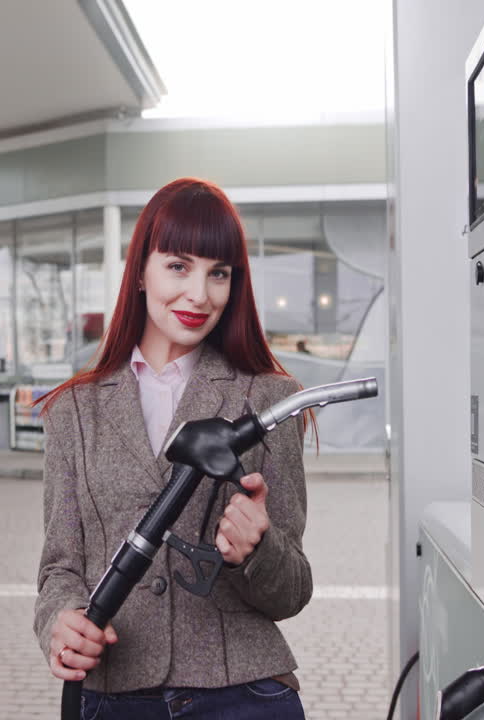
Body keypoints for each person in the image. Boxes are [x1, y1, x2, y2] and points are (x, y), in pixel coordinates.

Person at [34, 178, 313, 718]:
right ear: (140, 271)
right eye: (179, 266)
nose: (200, 295)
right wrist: (60, 622)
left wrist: (258, 549)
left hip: (244, 696)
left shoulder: (269, 400)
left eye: (219, 273)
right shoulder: (73, 412)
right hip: (114, 695)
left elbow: (293, 589)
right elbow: (60, 569)